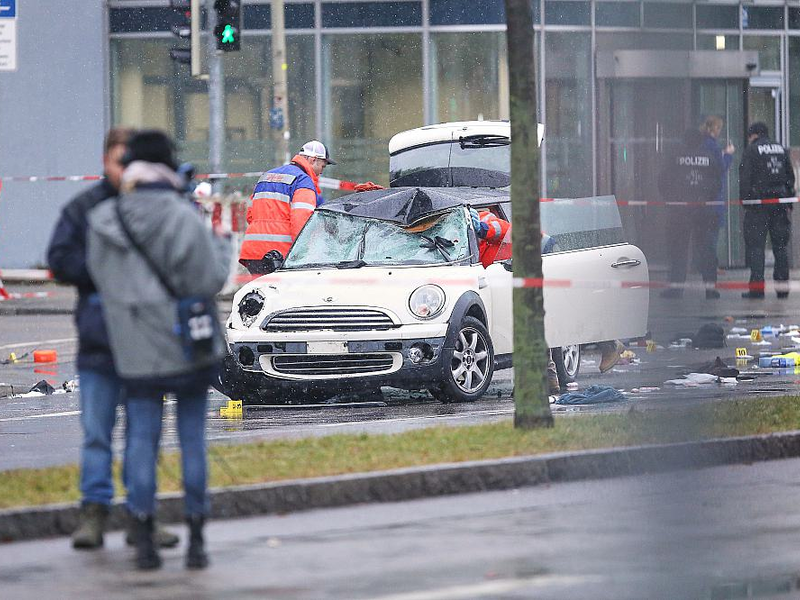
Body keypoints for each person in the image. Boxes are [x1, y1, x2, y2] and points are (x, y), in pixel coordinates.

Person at [86, 130, 232, 570]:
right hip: (187, 345)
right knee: (191, 441)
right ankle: (197, 539)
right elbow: (207, 281)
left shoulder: (103, 219)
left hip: (134, 351)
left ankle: (144, 537)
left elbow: (102, 282)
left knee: (141, 442)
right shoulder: (182, 215)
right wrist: (223, 247)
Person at [46, 128, 179, 551]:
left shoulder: (158, 207)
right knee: (97, 434)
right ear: (105, 161)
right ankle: (94, 514)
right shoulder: (84, 208)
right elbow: (60, 260)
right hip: (100, 343)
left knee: (144, 435)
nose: (126, 171)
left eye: (132, 163)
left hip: (145, 344)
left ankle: (143, 515)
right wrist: (106, 268)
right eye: (119, 162)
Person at [239, 140, 335, 274]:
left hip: (253, 252)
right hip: (280, 255)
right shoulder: (303, 181)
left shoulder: (267, 176)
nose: (321, 172)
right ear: (313, 160)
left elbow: (250, 215)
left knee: (261, 293)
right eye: (322, 166)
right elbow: (301, 223)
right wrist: (304, 255)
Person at [659, 128, 724, 300]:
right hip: (703, 209)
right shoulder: (709, 158)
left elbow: (663, 180)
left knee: (678, 249)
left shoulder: (675, 157)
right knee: (706, 249)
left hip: (680, 211)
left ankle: (676, 288)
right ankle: (710, 288)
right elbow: (718, 182)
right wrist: (706, 197)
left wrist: (673, 199)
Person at [739, 122, 795, 299]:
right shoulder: (780, 149)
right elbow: (790, 177)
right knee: (780, 247)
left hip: (758, 206)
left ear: (754, 135)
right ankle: (782, 288)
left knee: (756, 248)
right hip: (779, 204)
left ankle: (756, 289)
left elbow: (745, 178)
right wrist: (788, 200)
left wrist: (747, 202)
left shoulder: (752, 150)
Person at [699, 116, 735, 264]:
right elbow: (720, 168)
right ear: (713, 128)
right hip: (713, 198)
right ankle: (710, 265)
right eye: (719, 128)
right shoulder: (712, 146)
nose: (720, 131)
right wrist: (728, 155)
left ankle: (706, 264)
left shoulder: (702, 145)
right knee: (712, 236)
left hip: (703, 197)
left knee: (705, 235)